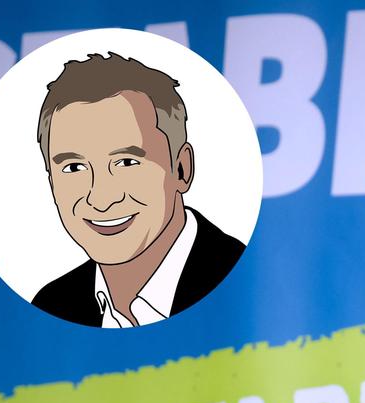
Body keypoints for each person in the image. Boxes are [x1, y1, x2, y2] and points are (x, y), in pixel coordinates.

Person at [30, 52, 244, 328]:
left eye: (126, 162)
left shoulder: (246, 284)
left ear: (181, 169)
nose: (101, 198)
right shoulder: (53, 306)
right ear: (51, 182)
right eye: (74, 168)